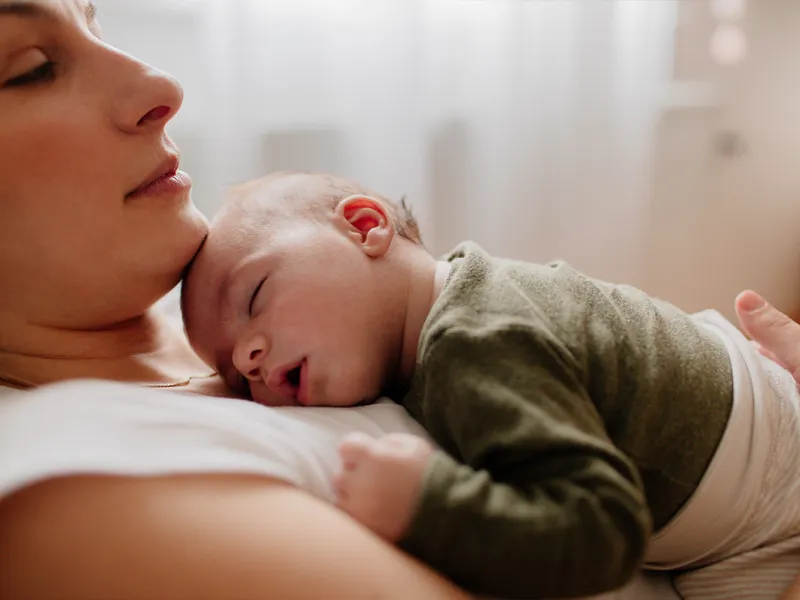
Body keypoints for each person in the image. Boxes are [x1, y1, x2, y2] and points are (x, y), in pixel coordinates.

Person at [0, 2, 476, 598]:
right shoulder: (74, 482)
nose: (162, 87)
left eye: (96, 24)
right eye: (32, 68)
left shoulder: (251, 316)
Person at [182, 171, 800, 600]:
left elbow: (603, 532)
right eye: (234, 373)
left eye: (257, 295)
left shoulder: (475, 340)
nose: (249, 355)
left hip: (775, 484)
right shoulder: (454, 308)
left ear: (365, 227)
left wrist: (429, 505)